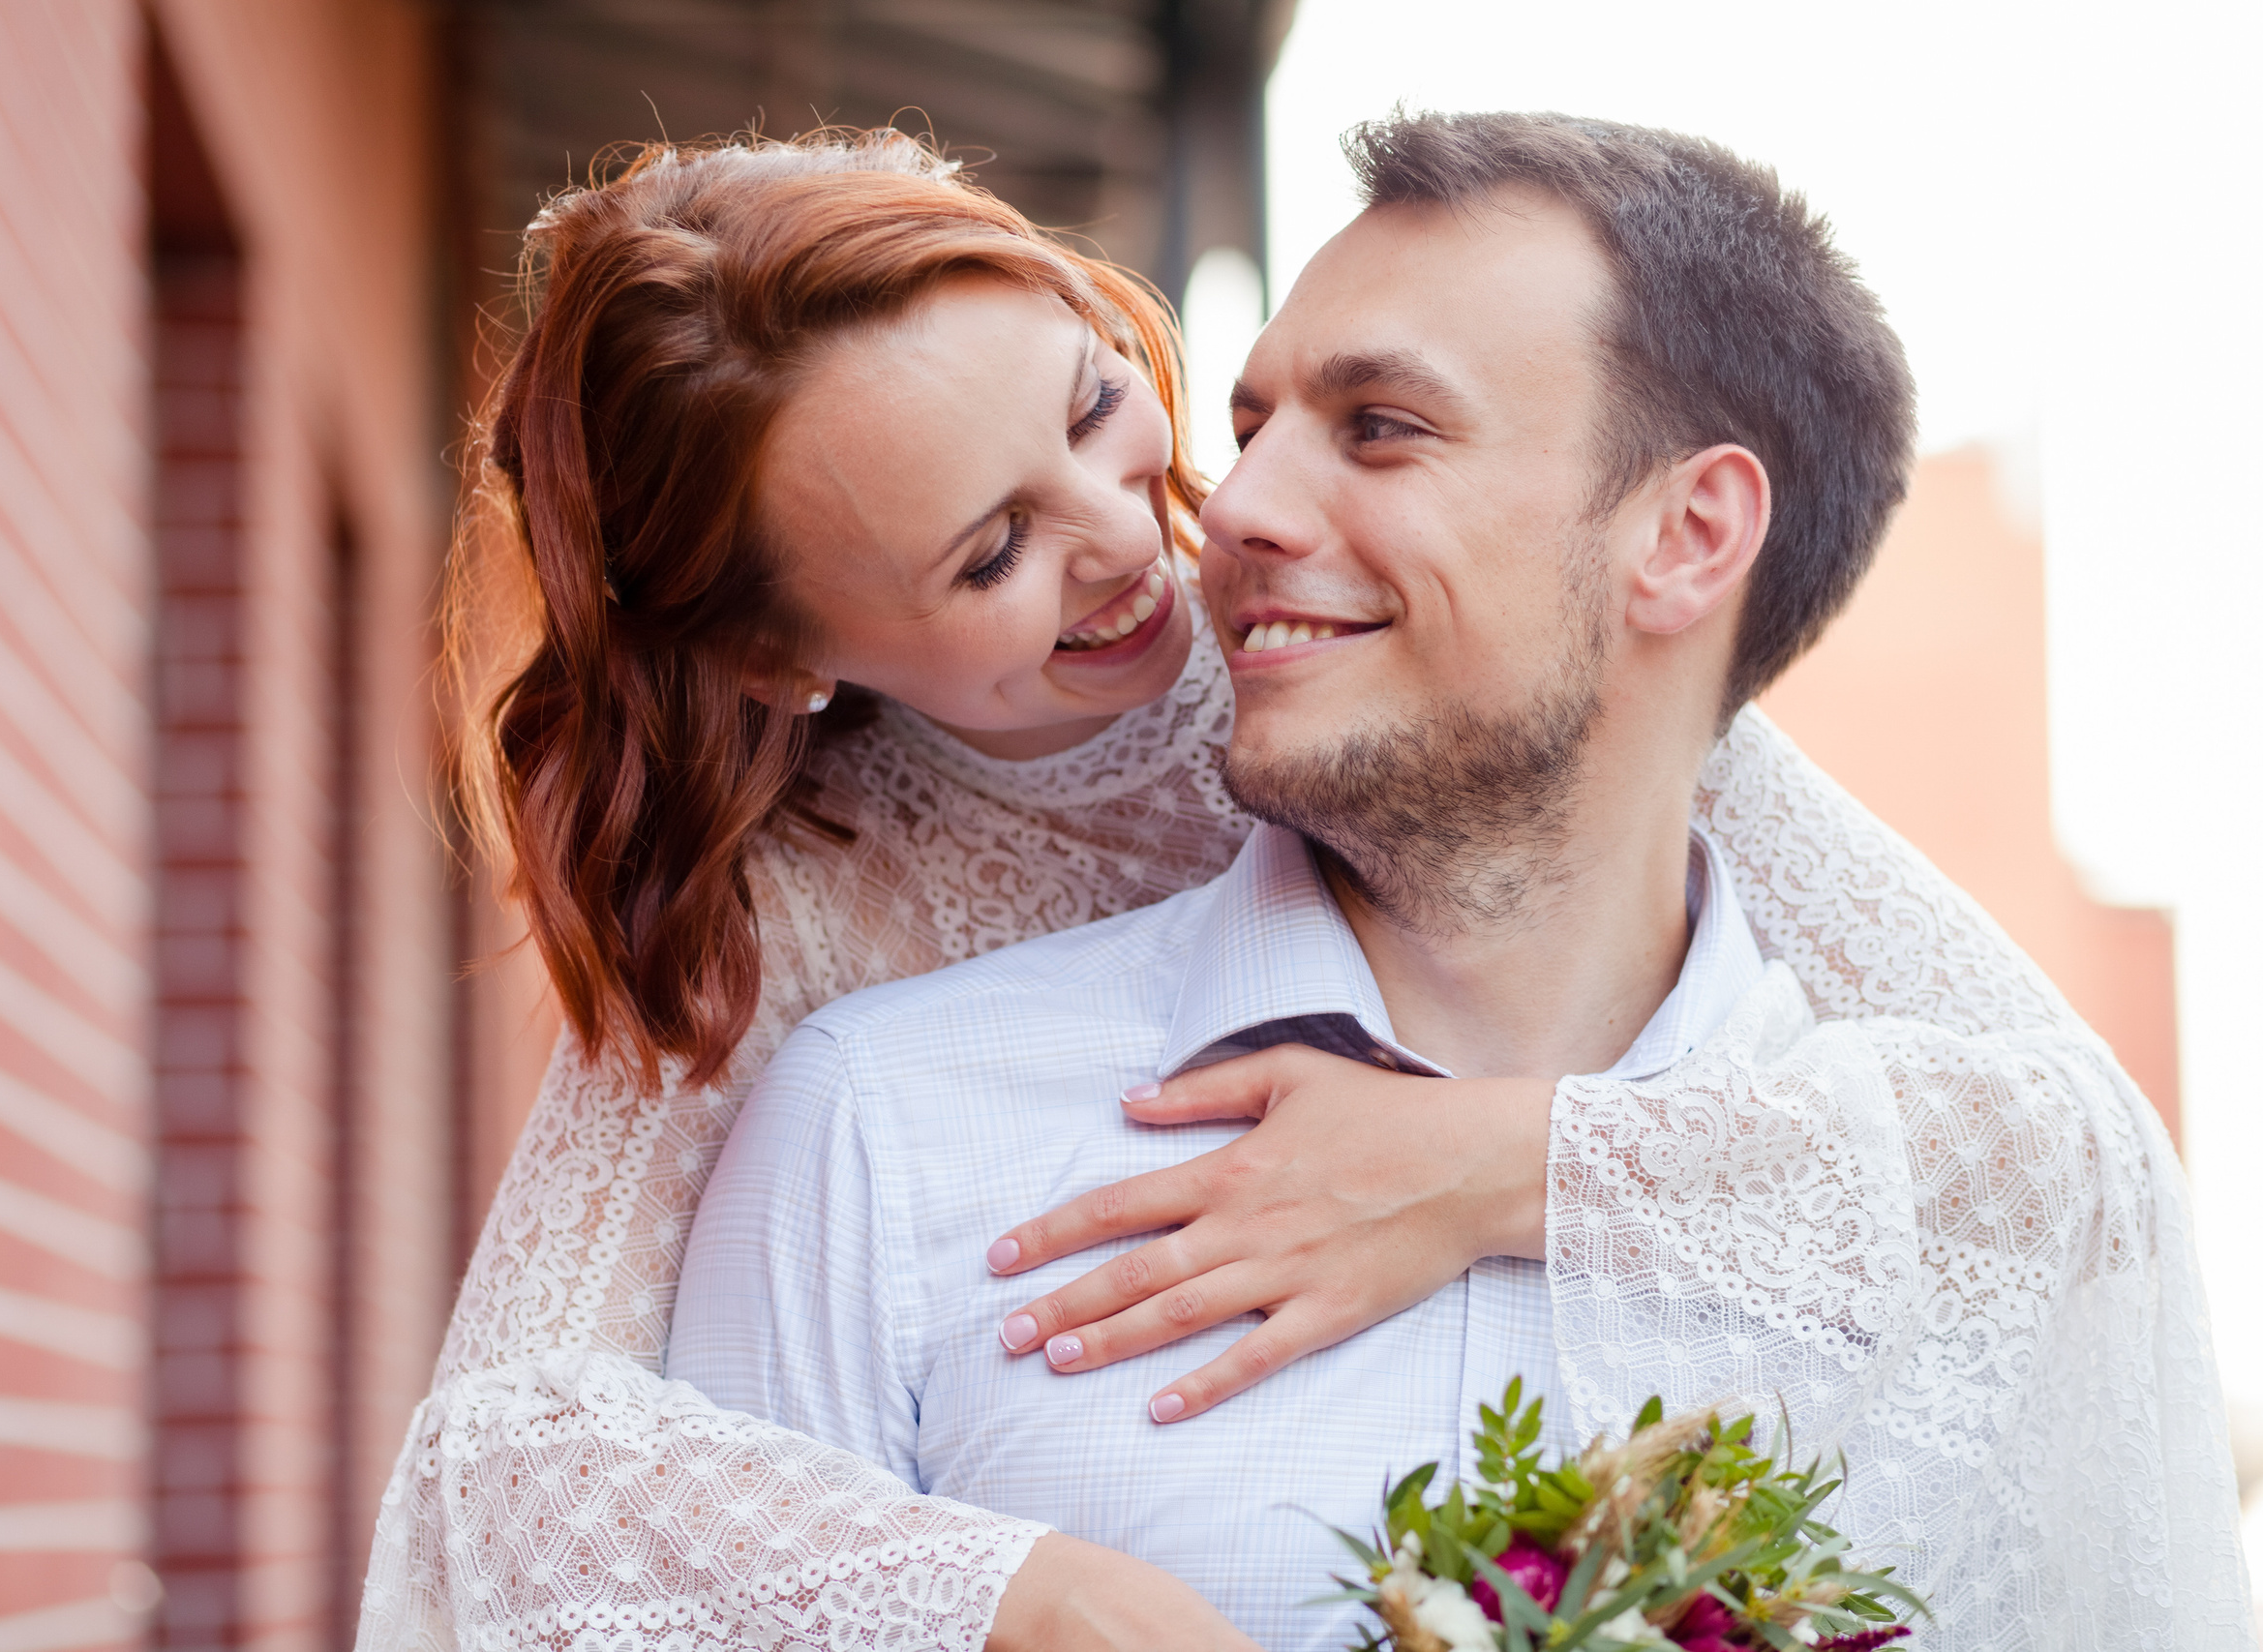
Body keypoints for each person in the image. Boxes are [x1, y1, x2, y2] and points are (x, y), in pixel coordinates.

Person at [355, 125, 2243, 1650]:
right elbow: (510, 1468)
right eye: (993, 548)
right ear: (790, 658)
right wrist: (1004, 1586)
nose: (1144, 543)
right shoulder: (818, 944)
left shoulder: (1426, 648)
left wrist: (1492, 1161)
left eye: (1100, 408)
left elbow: (2046, 1133)